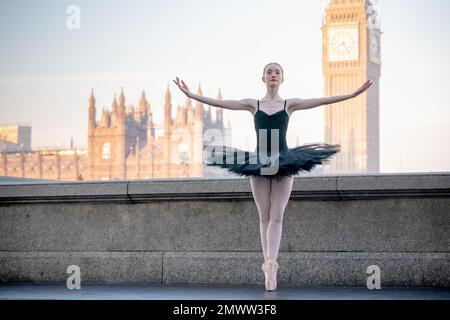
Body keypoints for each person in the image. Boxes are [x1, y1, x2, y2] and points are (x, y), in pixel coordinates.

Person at [173, 63, 372, 291]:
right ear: (263, 78)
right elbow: (221, 103)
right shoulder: (253, 104)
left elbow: (321, 101)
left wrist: (353, 94)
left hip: (284, 160)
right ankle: (267, 264)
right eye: (270, 72)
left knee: (277, 216)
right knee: (264, 216)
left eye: (277, 72)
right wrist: (191, 95)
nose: (273, 75)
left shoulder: (289, 105)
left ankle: (271, 264)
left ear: (282, 79)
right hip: (258, 161)